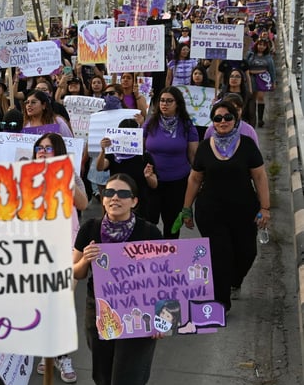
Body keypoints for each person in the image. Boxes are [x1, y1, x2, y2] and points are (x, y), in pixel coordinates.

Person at [73, 174, 164, 385]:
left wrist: (160, 320)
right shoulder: (90, 230)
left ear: (134, 201)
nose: (114, 197)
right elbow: (74, 272)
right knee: (104, 379)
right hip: (98, 314)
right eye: (109, 192)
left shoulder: (149, 231)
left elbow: (164, 280)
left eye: (123, 193)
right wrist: (86, 258)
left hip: (138, 319)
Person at [181, 100, 270, 310]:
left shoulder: (247, 145)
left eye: (227, 117)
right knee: (220, 255)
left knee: (248, 252)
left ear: (235, 119)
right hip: (211, 212)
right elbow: (194, 180)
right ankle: (222, 302)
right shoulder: (204, 148)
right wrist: (187, 209)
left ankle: (235, 280)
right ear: (212, 122)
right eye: (218, 118)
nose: (223, 122)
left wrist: (265, 207)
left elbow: (259, 177)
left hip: (244, 211)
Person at [32, 133, 87, 384]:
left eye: (49, 148)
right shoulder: (24, 174)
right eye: (40, 148)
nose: (43, 152)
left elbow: (83, 204)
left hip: (67, 246)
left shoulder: (70, 174)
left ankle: (63, 356)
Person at [143, 86, 198, 238]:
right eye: (161, 100)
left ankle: (170, 256)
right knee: (148, 222)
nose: (164, 104)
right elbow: (139, 150)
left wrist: (199, 180)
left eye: (169, 101)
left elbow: (193, 156)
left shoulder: (187, 126)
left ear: (178, 104)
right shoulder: (150, 124)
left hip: (177, 182)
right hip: (152, 181)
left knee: (172, 224)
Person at [97, 118, 158, 221]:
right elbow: (100, 167)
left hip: (139, 204)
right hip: (118, 202)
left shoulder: (145, 156)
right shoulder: (113, 154)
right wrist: (103, 151)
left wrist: (148, 177)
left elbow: (154, 184)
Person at [246, 38, 276, 127]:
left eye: (263, 45)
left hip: (262, 78)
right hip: (251, 77)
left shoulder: (268, 57)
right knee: (252, 97)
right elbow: (246, 65)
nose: (261, 47)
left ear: (266, 47)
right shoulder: (251, 55)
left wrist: (273, 82)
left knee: (260, 97)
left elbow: (272, 70)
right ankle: (252, 117)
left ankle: (260, 119)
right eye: (260, 44)